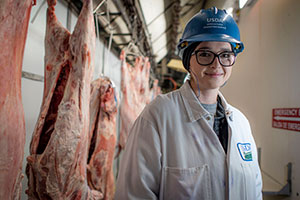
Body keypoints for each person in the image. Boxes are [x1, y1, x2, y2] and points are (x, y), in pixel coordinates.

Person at [115, 7, 262, 200]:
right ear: (188, 59)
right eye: (205, 54)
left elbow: (255, 191)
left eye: (225, 55)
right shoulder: (158, 116)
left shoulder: (241, 123)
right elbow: (133, 195)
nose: (216, 64)